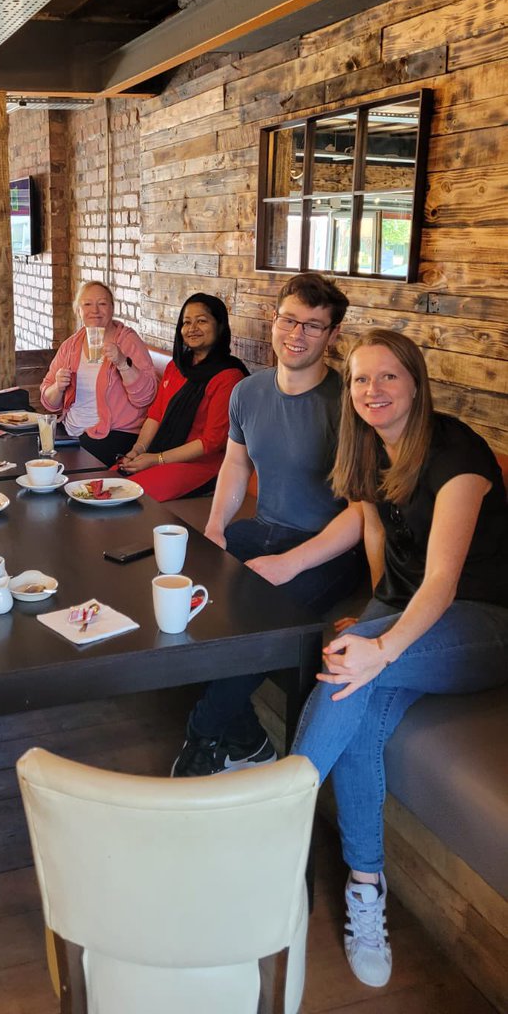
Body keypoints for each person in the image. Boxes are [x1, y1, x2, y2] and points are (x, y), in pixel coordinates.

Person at [291, 329, 508, 987]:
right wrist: (377, 613)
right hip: (415, 617)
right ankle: (366, 885)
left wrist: (382, 644)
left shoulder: (457, 454)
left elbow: (441, 581)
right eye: (361, 379)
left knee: (349, 667)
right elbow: (380, 536)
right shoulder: (367, 446)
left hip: (486, 624)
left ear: (416, 382)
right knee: (356, 692)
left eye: (388, 376)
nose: (373, 390)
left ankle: (270, 825)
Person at [172, 272, 366, 777]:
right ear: (273, 320)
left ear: (332, 335)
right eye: (289, 320)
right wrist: (216, 529)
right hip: (260, 530)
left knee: (258, 619)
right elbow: (235, 465)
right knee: (184, 601)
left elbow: (362, 511)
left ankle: (203, 733)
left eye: (313, 326)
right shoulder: (248, 391)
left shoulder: (349, 403)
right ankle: (249, 739)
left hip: (329, 549)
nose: (297, 335)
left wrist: (289, 563)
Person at [116, 293, 248, 500]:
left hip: (204, 465)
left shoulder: (229, 376)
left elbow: (211, 442)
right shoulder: (177, 367)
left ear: (220, 326)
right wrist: (137, 451)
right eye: (186, 322)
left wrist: (156, 459)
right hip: (162, 453)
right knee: (110, 480)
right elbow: (156, 415)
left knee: (128, 494)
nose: (192, 328)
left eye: (202, 321)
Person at [40, 280, 157, 466]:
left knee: (64, 468)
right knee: (33, 455)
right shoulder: (71, 345)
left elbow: (145, 397)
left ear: (112, 308)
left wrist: (122, 363)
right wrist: (58, 387)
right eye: (87, 304)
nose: (94, 310)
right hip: (71, 431)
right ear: (78, 310)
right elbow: (49, 403)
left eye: (102, 303)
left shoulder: (128, 341)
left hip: (115, 433)